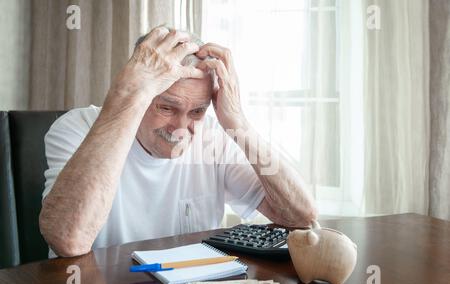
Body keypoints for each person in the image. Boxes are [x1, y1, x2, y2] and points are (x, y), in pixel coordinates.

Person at [39, 26, 318, 257]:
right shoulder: (77, 128)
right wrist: (126, 97)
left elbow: (301, 216)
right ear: (140, 91)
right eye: (167, 108)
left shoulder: (213, 139)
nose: (181, 128)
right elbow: (68, 241)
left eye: (197, 111)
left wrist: (238, 121)